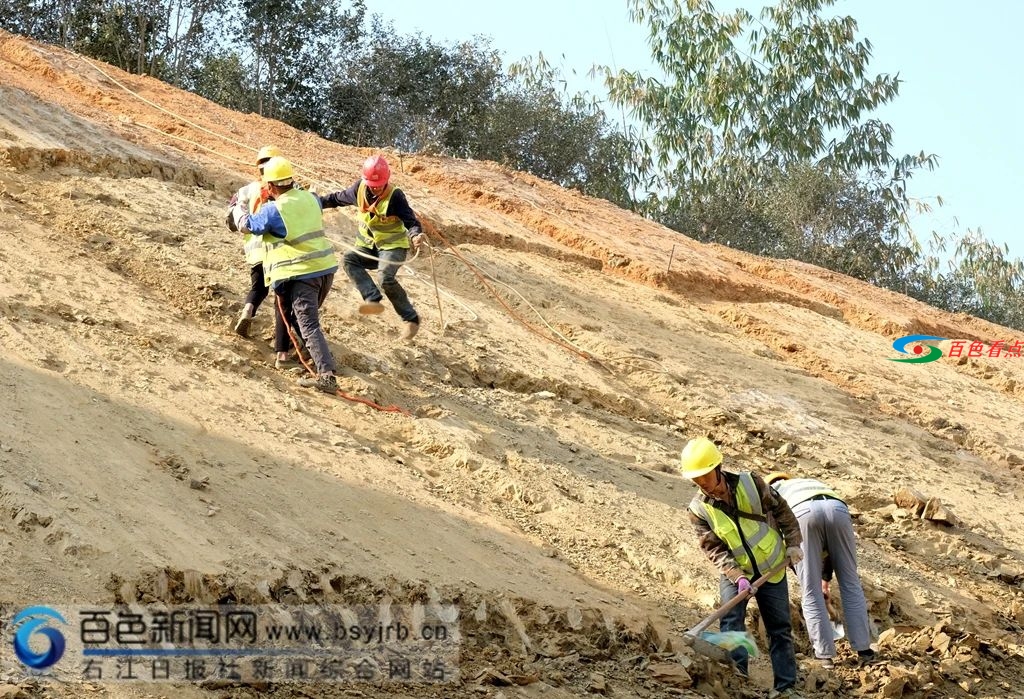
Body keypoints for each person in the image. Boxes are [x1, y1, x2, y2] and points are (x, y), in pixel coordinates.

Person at [680, 437, 803, 698]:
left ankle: (786, 687)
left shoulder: (752, 484)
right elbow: (713, 548)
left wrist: (793, 544)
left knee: (779, 628)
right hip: (737, 572)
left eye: (705, 476)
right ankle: (739, 679)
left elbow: (783, 512)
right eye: (696, 480)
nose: (702, 484)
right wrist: (737, 577)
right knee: (731, 623)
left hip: (772, 566)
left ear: (718, 468)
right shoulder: (698, 509)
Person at [238, 156, 339, 394]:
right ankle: (321, 359)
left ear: (271, 186)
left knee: (308, 324)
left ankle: (327, 376)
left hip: (302, 274)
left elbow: (250, 226)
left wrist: (239, 212)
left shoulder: (275, 209)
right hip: (325, 270)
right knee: (299, 320)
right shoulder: (310, 199)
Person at [766, 472, 879, 669]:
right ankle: (864, 650)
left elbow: (776, 538)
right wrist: (825, 578)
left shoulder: (772, 494)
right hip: (838, 509)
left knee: (810, 591)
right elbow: (826, 541)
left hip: (801, 514)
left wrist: (805, 572)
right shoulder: (808, 483)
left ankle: (824, 655)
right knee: (851, 582)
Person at [319, 154, 425, 341]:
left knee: (385, 277)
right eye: (372, 185)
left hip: (393, 247)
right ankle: (372, 299)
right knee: (349, 259)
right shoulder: (358, 189)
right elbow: (335, 199)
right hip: (368, 246)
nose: (375, 188)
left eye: (379, 185)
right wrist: (315, 203)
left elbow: (411, 221)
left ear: (387, 180)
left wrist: (416, 234)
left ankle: (411, 319)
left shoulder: (396, 196)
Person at [227, 145, 280, 338]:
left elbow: (231, 221)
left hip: (254, 251)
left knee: (258, 288)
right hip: (277, 249)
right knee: (281, 294)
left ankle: (247, 311)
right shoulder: (282, 189)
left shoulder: (246, 190)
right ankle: (284, 335)